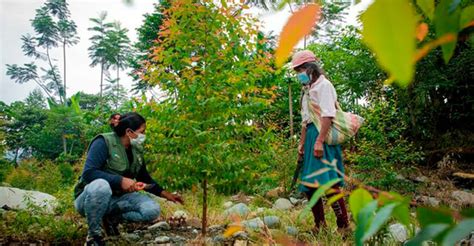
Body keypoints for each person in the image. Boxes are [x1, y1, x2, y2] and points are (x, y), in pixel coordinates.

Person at [74, 112, 184, 246]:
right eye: (142, 131)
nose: (144, 135)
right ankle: (94, 236)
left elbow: (144, 177)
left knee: (151, 210)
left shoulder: (136, 149)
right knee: (101, 185)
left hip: (117, 199)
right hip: (90, 198)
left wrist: (166, 194)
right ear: (129, 132)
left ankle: (111, 219)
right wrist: (120, 181)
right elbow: (89, 173)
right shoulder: (103, 142)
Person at [292, 50, 349, 234]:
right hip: (310, 137)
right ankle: (320, 226)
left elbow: (328, 115)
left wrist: (319, 141)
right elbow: (305, 121)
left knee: (329, 183)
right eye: (296, 71)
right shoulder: (307, 91)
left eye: (299, 69)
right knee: (309, 185)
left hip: (321, 137)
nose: (298, 74)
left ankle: (343, 226)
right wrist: (302, 145)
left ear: (310, 68)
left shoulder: (324, 86)